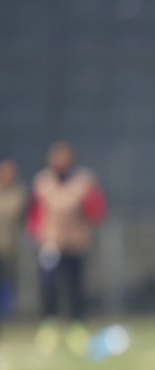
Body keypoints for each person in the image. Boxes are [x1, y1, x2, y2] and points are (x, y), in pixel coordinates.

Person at [26, 141, 106, 354]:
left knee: (76, 288)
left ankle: (77, 328)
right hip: (50, 245)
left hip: (76, 244)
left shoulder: (84, 181)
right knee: (49, 288)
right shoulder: (43, 182)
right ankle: (49, 327)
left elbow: (96, 210)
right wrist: (38, 235)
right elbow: (34, 213)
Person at [0, 159, 27, 326]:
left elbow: (15, 211)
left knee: (6, 282)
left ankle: (6, 316)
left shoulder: (18, 192)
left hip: (9, 247)